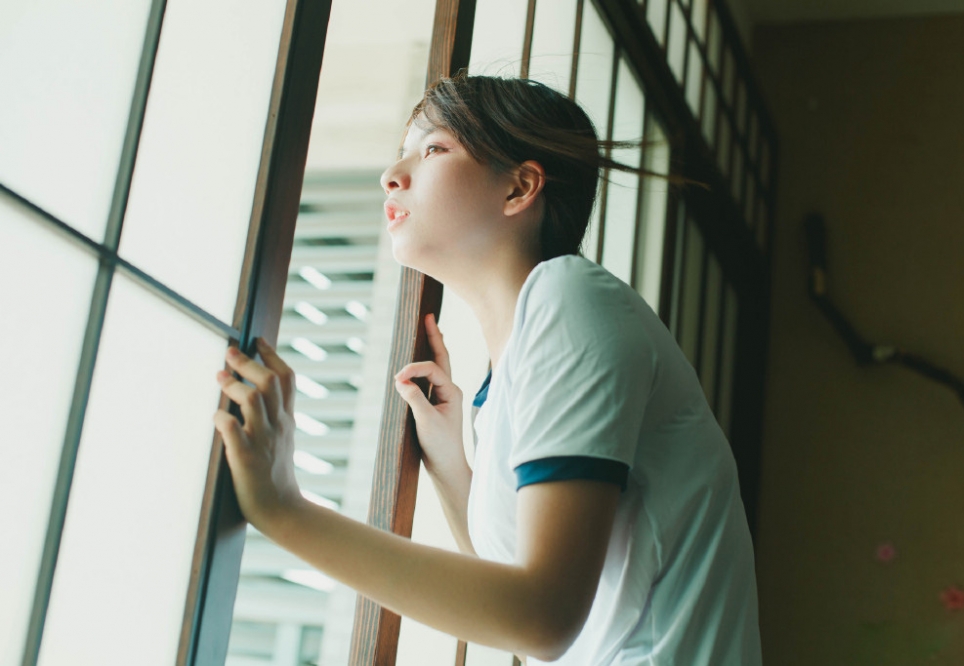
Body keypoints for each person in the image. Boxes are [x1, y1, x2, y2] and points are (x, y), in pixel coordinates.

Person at [214, 75, 762, 665]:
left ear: (519, 188)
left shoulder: (570, 297)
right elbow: (515, 582)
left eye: (432, 149)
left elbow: (540, 617)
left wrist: (282, 508)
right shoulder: (516, 365)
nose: (391, 175)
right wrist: (453, 466)